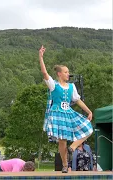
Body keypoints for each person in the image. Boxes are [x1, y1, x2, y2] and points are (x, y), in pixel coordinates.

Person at [39, 45, 93, 173]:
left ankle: (73, 147)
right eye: (66, 72)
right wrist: (41, 57)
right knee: (62, 141)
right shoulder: (53, 85)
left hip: (68, 112)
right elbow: (44, 73)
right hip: (57, 113)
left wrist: (89, 111)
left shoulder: (71, 87)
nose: (68, 74)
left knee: (88, 129)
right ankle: (64, 165)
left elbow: (78, 100)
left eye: (68, 72)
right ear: (59, 74)